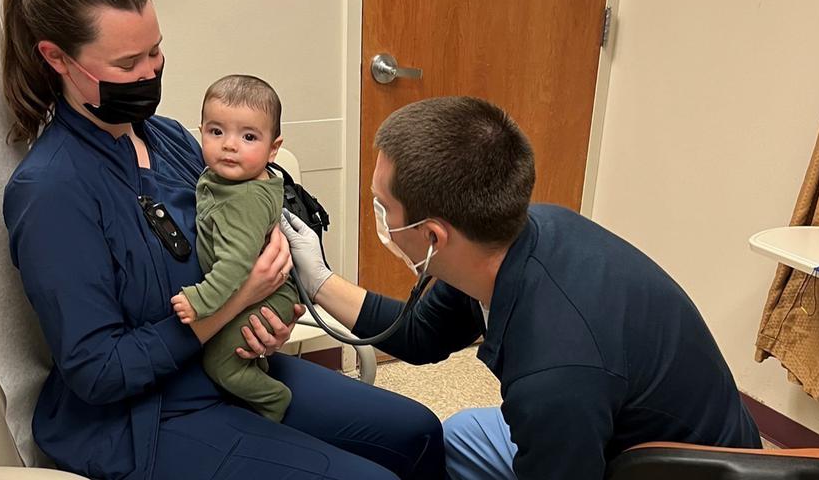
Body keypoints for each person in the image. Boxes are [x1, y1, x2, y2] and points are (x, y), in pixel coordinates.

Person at [0, 0, 443, 480]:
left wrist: (267, 316)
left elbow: (235, 243)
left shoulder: (168, 140)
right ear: (56, 58)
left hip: (228, 364)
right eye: (126, 62)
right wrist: (232, 304)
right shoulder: (51, 192)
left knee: (417, 431)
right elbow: (99, 372)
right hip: (144, 416)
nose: (149, 72)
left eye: (155, 51)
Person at [279, 96, 762, 480]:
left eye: (383, 206)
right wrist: (317, 279)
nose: (379, 217)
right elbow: (421, 336)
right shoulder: (515, 236)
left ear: (432, 236)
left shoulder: (553, 373)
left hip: (680, 469)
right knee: (464, 433)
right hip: (619, 426)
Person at [170, 74, 298, 422]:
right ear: (200, 131)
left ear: (274, 148)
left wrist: (201, 299)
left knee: (220, 364)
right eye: (216, 132)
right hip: (259, 293)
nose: (229, 145)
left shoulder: (242, 201)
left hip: (265, 296)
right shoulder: (231, 179)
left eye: (248, 136)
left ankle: (271, 401)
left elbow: (236, 263)